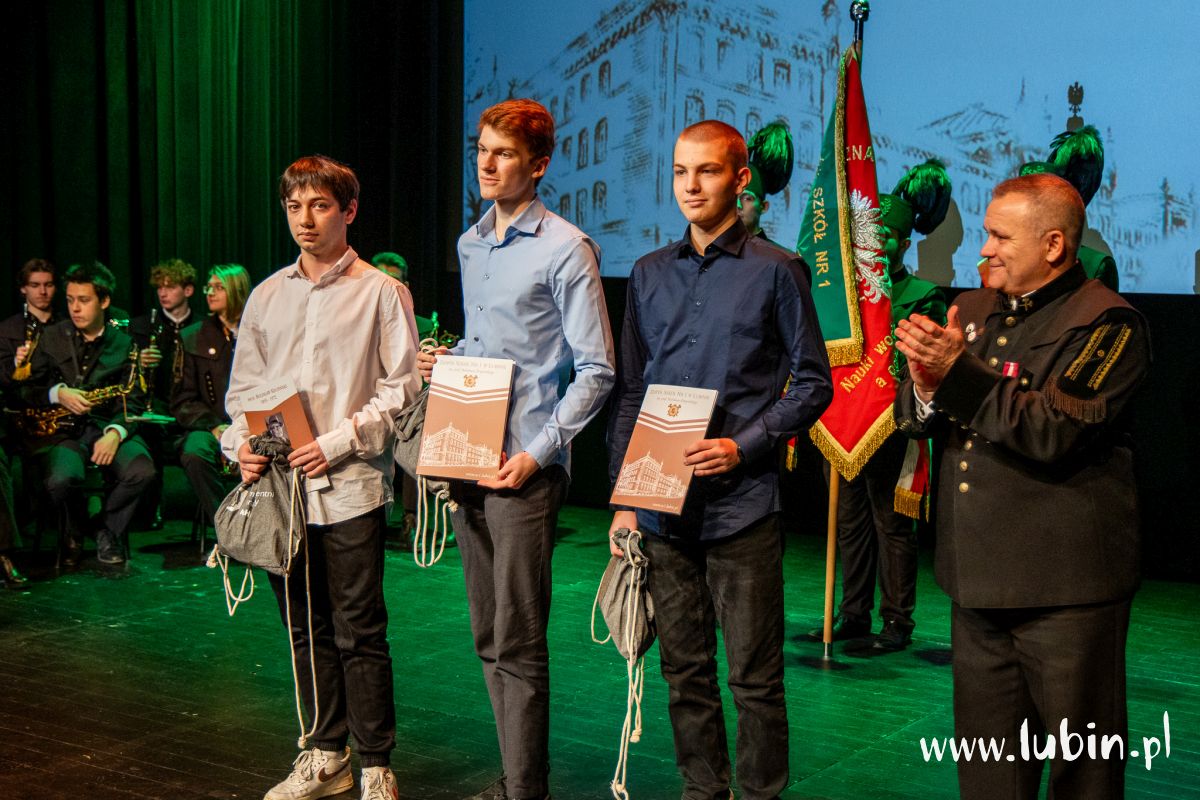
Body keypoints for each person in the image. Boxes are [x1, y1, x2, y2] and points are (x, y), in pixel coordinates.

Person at [894, 173, 1149, 799]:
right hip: (977, 586)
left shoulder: (1109, 323)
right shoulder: (975, 309)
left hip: (1065, 595)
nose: (985, 250)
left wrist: (954, 375)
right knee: (989, 775)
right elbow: (918, 416)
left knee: (1083, 776)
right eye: (986, 233)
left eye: (1001, 237)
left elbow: (1055, 430)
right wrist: (924, 385)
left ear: (1054, 245)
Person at [608, 119, 832, 800]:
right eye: (680, 171)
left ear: (740, 179)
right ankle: (702, 791)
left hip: (742, 508)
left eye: (706, 171)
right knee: (684, 672)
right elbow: (631, 391)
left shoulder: (777, 269)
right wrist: (624, 497)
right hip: (661, 508)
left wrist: (746, 443)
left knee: (754, 679)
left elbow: (814, 383)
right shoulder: (648, 273)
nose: (691, 185)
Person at [417, 98, 615, 800]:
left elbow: (597, 371)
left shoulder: (566, 248)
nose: (487, 163)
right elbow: (489, 349)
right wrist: (447, 363)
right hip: (469, 459)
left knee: (519, 640)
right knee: (486, 635)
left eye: (503, 153)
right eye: (482, 150)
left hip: (523, 471)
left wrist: (538, 453)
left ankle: (526, 789)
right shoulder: (471, 244)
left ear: (539, 164)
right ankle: (513, 779)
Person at [221, 155, 420, 800]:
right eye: (294, 207)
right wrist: (240, 445)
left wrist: (335, 443)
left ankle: (376, 763)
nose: (305, 220)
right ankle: (325, 753)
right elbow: (243, 392)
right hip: (282, 492)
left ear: (348, 210)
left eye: (320, 206)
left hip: (350, 485)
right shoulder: (266, 295)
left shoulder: (380, 292)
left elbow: (401, 390)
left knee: (360, 629)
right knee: (304, 628)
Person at [811, 159, 951, 651]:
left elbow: (925, 364)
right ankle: (853, 614)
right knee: (849, 522)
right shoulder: (844, 298)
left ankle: (896, 622)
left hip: (893, 424)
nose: (874, 246)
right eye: (868, 238)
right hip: (845, 420)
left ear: (904, 244)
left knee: (891, 525)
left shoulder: (923, 295)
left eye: (885, 238)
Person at [19, 262, 156, 566]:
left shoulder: (125, 344)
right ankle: (78, 527)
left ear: (104, 301)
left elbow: (133, 401)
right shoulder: (51, 337)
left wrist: (115, 433)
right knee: (60, 479)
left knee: (142, 471)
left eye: (84, 300)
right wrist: (58, 393)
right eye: (70, 300)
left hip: (106, 426)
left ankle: (105, 528)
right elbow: (27, 391)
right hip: (64, 432)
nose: (75, 308)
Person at [172, 264, 251, 524]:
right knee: (195, 452)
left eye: (218, 287)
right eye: (208, 287)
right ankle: (226, 522)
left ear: (237, 290)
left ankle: (263, 524)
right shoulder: (193, 336)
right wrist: (214, 426)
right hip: (209, 425)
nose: (210, 293)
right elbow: (183, 399)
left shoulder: (260, 332)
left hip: (253, 423)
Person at [130, 258, 198, 412]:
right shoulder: (140, 326)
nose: (162, 293)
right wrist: (139, 362)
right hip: (153, 408)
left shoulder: (202, 327)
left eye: (170, 287)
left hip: (192, 408)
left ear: (188, 291)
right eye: (159, 287)